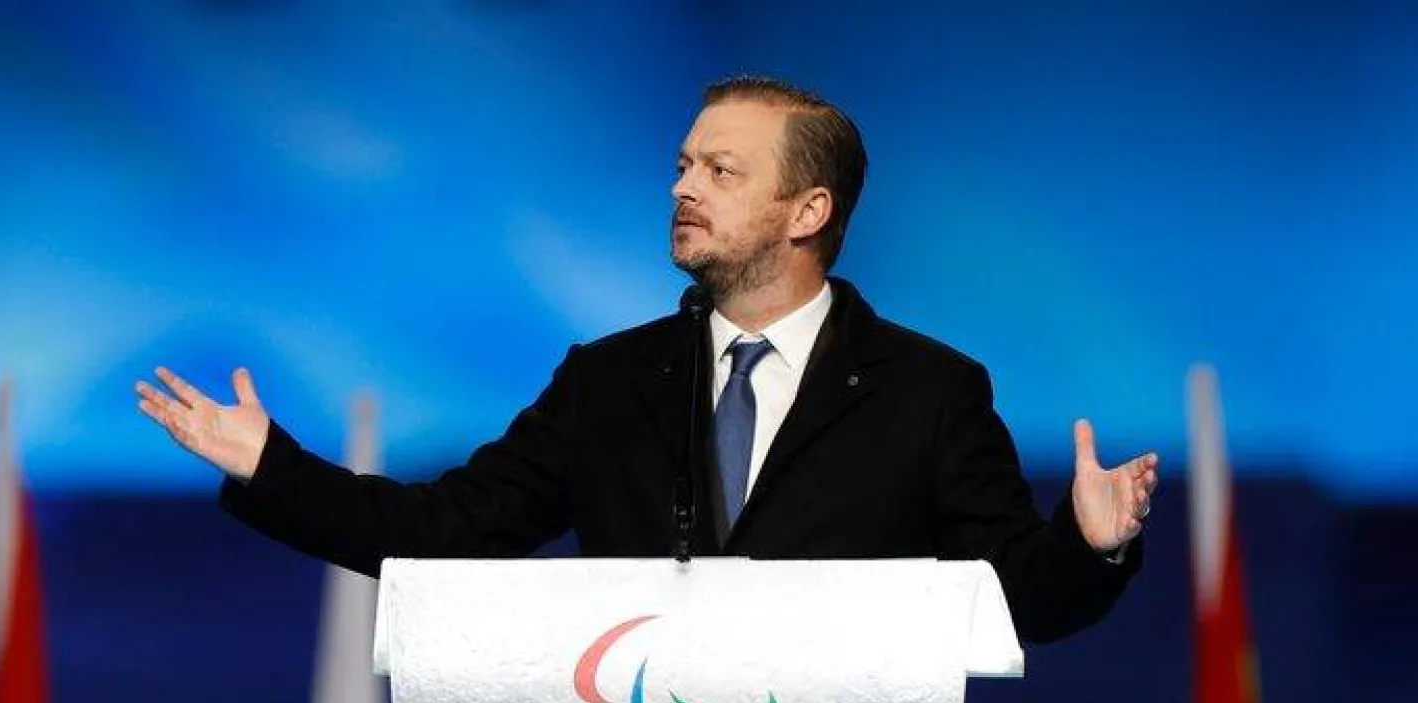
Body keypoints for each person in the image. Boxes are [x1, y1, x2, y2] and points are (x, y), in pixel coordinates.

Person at [136, 76, 1159, 643]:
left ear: (808, 212)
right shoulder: (610, 382)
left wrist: (1089, 542)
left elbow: (1011, 600)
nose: (684, 188)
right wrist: (273, 466)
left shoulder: (929, 393)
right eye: (681, 165)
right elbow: (448, 532)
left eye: (721, 170)